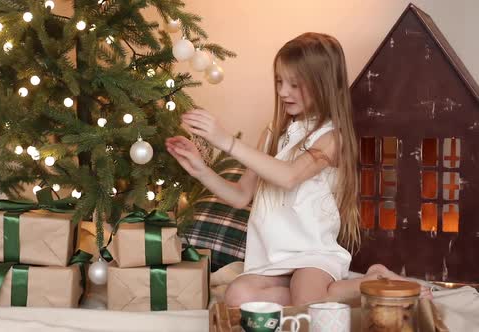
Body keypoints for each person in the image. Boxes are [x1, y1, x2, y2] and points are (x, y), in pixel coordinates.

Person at [165, 32, 431, 307]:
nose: (282, 92)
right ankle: (351, 287)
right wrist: (200, 169)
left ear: (323, 85)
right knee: (238, 296)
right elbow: (241, 196)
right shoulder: (272, 134)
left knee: (307, 296)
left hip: (312, 256)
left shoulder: (330, 139)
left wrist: (227, 142)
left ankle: (373, 282)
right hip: (272, 259)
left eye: (294, 84)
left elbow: (289, 176)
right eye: (280, 81)